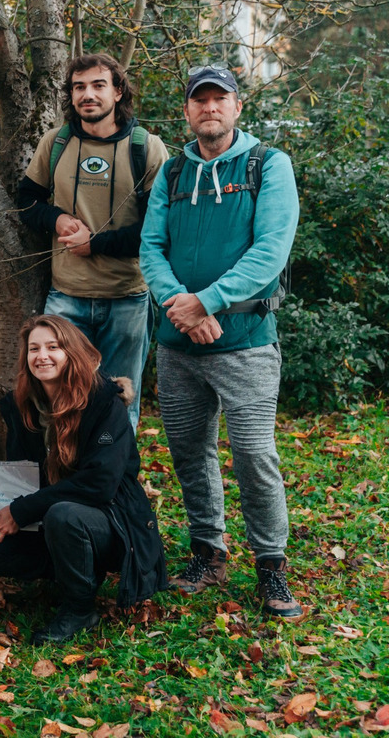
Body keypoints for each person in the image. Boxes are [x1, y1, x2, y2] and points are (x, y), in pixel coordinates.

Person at [140, 65, 302, 618]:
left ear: (237, 106)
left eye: (220, 98)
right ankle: (208, 553)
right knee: (189, 455)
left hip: (247, 341)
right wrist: (182, 308)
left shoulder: (268, 166)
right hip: (178, 345)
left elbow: (270, 252)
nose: (210, 108)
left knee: (255, 455)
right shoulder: (174, 172)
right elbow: (151, 249)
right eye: (199, 100)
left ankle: (271, 567)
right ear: (187, 111)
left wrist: (205, 302)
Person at [0, 315, 167, 644]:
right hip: (52, 520)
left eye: (53, 347)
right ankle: (72, 573)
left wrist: (24, 510)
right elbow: (16, 479)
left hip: (113, 523)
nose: (42, 355)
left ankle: (80, 608)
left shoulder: (104, 401)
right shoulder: (24, 407)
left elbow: (100, 484)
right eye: (34, 349)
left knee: (65, 514)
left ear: (71, 352)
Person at [18, 53, 169, 428]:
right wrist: (56, 218)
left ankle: (116, 485)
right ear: (70, 95)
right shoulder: (56, 143)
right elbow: (25, 201)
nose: (88, 94)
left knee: (119, 403)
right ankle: (66, 482)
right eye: (79, 87)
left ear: (118, 92)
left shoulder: (146, 148)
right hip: (66, 298)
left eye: (99, 85)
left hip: (127, 300)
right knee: (60, 404)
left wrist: (95, 244)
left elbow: (158, 230)